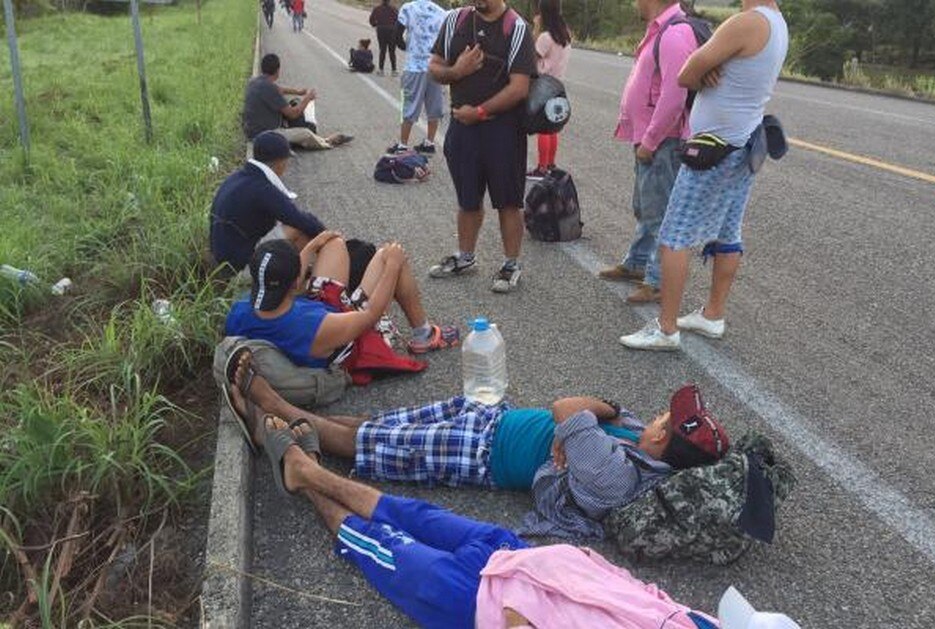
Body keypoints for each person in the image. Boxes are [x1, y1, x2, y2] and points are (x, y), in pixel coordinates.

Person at [243, 414, 798, 628]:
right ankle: (307, 471)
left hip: (482, 603)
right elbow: (642, 593)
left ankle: (303, 471)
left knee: (380, 546)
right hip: (517, 555)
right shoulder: (702, 624)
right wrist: (583, 560)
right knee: (410, 513)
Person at [222, 352, 726, 537]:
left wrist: (586, 416)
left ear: (664, 436)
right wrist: (606, 411)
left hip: (479, 453)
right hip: (492, 418)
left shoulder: (619, 473)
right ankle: (289, 414)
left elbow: (566, 406)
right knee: (379, 423)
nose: (660, 411)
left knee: (370, 444)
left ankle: (273, 408)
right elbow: (580, 410)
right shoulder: (636, 439)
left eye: (668, 415)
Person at [620, 0, 788, 350]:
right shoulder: (776, 22)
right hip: (744, 142)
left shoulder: (745, 23)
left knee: (673, 235)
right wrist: (708, 64)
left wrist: (706, 65)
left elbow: (685, 74)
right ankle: (713, 314)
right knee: (727, 231)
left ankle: (666, 328)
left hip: (715, 147)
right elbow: (702, 68)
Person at [426, 0, 537, 294]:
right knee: (467, 198)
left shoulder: (516, 28)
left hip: (503, 129)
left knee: (508, 200)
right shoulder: (455, 21)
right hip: (461, 127)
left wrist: (480, 113)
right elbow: (434, 66)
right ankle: (465, 257)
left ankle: (511, 264)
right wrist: (456, 72)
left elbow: (519, 87)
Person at [225, 236, 457, 373]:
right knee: (389, 254)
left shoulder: (240, 312)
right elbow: (370, 315)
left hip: (317, 319)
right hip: (348, 340)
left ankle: (381, 260)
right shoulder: (313, 325)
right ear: (297, 282)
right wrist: (394, 266)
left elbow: (288, 291)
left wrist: (313, 244)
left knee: (333, 243)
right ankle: (423, 335)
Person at [598, 0, 698, 305]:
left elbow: (674, 97)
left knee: (659, 214)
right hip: (650, 139)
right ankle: (637, 263)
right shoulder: (660, 30)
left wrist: (651, 142)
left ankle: (657, 281)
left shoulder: (674, 34)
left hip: (662, 142)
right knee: (645, 207)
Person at [210, 131, 329, 273]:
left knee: (291, 225)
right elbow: (300, 219)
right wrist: (329, 237)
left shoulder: (238, 177)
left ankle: (302, 269)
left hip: (225, 260)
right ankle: (313, 275)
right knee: (298, 229)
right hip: (243, 267)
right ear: (280, 162)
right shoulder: (262, 188)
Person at [243, 53, 354, 150]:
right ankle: (328, 142)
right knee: (305, 134)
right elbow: (293, 114)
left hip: (251, 131)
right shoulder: (270, 88)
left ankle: (318, 139)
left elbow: (279, 89)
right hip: (264, 135)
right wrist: (307, 99)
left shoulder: (255, 81)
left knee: (293, 105)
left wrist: (298, 92)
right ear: (278, 70)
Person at [386, 0, 448, 155]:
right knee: (434, 107)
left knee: (409, 105)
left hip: (414, 67)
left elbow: (397, 37)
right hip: (436, 67)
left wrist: (410, 48)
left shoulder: (408, 8)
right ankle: (429, 143)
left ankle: (403, 145)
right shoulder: (441, 12)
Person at [526, 0, 571, 179]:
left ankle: (542, 168)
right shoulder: (566, 34)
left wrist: (536, 28)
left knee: (543, 127)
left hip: (543, 85)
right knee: (552, 127)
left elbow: (530, 55)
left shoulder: (546, 37)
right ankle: (550, 164)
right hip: (558, 84)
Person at [369, 0, 399, 76]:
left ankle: (381, 70)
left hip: (381, 30)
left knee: (382, 50)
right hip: (392, 30)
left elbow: (371, 20)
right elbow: (398, 20)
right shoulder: (394, 9)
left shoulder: (377, 8)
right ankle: (394, 70)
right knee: (392, 51)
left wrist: (376, 25)